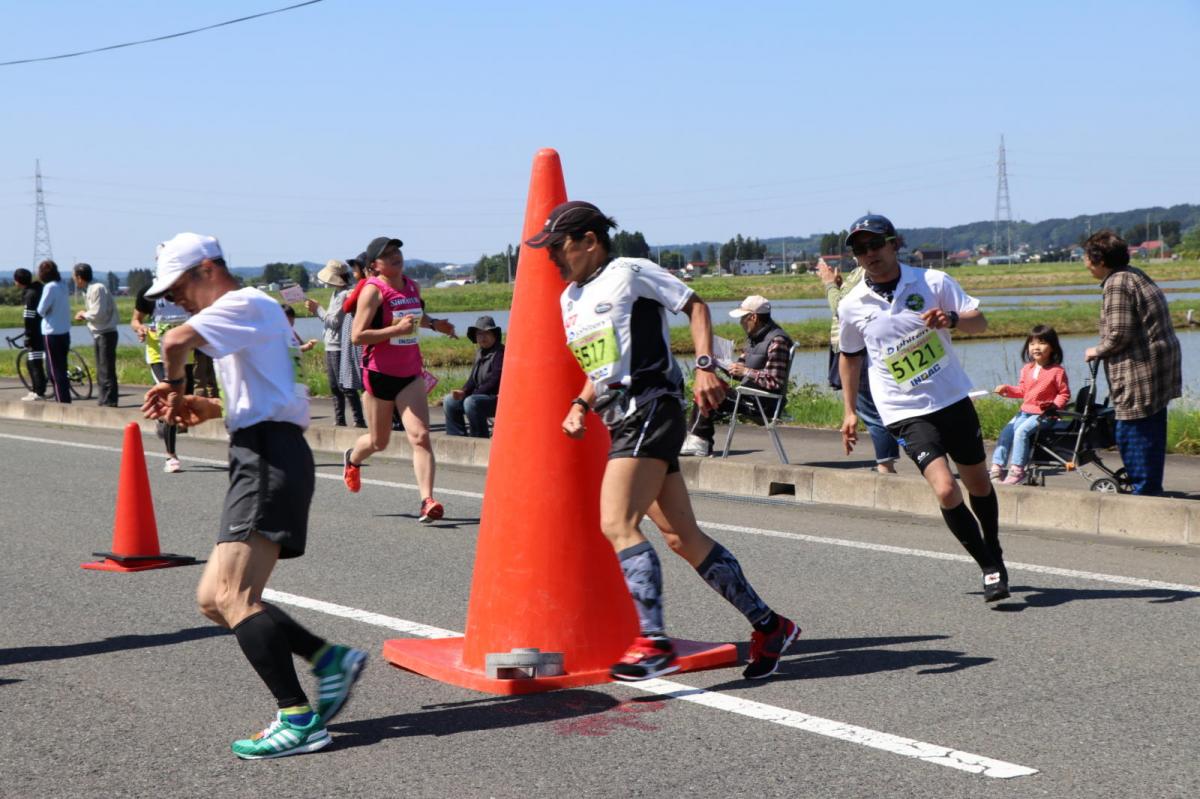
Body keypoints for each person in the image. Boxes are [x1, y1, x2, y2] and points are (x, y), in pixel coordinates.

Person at [526, 200, 799, 681]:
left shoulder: (630, 272)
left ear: (589, 241)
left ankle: (653, 643)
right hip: (620, 417)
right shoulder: (568, 299)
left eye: (557, 246)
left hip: (651, 406)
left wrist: (705, 367)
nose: (551, 257)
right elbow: (602, 365)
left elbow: (695, 305)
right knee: (681, 537)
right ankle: (769, 625)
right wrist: (579, 403)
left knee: (616, 522)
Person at [140, 232, 366, 760]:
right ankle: (327, 660)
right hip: (258, 451)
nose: (172, 300)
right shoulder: (245, 316)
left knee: (235, 598)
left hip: (268, 458)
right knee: (211, 600)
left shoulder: (245, 303)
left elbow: (173, 343)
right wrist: (207, 405)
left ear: (206, 269)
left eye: (175, 288)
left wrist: (172, 387)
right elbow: (273, 394)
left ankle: (298, 718)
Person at [836, 214, 1009, 602]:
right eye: (860, 249)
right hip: (903, 409)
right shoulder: (852, 305)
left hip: (951, 398)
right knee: (946, 489)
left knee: (978, 484)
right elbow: (849, 356)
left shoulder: (932, 281)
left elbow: (979, 322)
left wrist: (951, 319)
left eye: (875, 245)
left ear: (894, 244)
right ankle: (989, 566)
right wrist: (849, 410)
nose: (869, 254)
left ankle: (993, 547)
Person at [342, 236, 458, 524]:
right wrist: (394, 332)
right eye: (387, 254)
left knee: (420, 436)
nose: (396, 256)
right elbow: (357, 336)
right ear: (374, 265)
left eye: (397, 251)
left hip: (410, 373)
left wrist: (435, 324)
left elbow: (416, 316)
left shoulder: (411, 286)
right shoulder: (373, 291)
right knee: (379, 442)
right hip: (379, 375)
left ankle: (427, 500)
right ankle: (353, 460)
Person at [1082, 229, 1182, 496]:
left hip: (1139, 370)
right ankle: (1150, 488)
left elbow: (1118, 334)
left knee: (1132, 431)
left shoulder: (1117, 283)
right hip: (1158, 366)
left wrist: (1096, 350)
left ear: (1099, 260)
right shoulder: (1134, 274)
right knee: (1151, 430)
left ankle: (1144, 493)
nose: (1084, 263)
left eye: (1086, 257)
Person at [679, 295, 793, 457]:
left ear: (753, 317)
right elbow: (742, 373)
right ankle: (699, 440)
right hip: (749, 396)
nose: (740, 323)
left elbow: (775, 382)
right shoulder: (754, 340)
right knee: (710, 386)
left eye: (743, 318)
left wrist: (745, 371)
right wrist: (723, 365)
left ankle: (699, 440)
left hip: (764, 403)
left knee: (711, 390)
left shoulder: (778, 341)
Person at [817, 258, 899, 473]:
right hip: (860, 347)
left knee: (871, 411)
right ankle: (889, 460)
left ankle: (885, 464)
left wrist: (829, 284)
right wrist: (838, 285)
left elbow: (840, 308)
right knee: (877, 407)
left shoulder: (865, 273)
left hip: (857, 350)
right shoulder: (862, 273)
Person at [990, 325, 1070, 485]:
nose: (1036, 347)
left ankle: (1018, 470)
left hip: (1046, 415)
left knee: (1021, 431)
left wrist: (1054, 406)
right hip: (1025, 412)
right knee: (1006, 432)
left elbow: (1064, 394)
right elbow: (1023, 391)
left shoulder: (1057, 371)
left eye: (1042, 343)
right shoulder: (1027, 369)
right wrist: (1006, 390)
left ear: (1053, 347)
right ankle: (997, 467)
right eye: (1032, 344)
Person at [132, 283, 194, 473]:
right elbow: (135, 319)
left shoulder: (189, 290)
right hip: (158, 356)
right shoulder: (148, 292)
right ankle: (171, 456)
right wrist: (140, 328)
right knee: (171, 400)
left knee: (181, 403)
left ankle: (163, 421)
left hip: (185, 355)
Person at [305, 259, 365, 428]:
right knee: (335, 386)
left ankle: (358, 420)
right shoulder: (337, 293)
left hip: (339, 345)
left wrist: (317, 309)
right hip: (331, 344)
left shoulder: (343, 294)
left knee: (345, 385)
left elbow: (333, 321)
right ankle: (340, 420)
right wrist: (318, 309)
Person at [443, 315, 505, 438]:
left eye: (486, 333)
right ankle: (457, 438)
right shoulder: (479, 352)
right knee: (449, 400)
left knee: (471, 402)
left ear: (494, 334)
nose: (483, 337)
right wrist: (463, 391)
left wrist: (472, 394)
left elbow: (495, 380)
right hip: (479, 395)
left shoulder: (500, 353)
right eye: (479, 334)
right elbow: (472, 379)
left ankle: (479, 437)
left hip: (496, 399)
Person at [72, 263, 120, 407]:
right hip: (99, 332)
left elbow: (98, 312)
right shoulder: (88, 290)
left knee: (106, 369)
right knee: (101, 369)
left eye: (75, 276)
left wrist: (84, 314)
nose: (74, 280)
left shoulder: (97, 288)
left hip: (106, 332)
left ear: (80, 277)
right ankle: (103, 398)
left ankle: (110, 400)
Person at [34, 260, 72, 404]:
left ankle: (62, 402)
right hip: (64, 330)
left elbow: (41, 310)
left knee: (54, 371)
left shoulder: (49, 287)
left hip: (51, 332)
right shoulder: (62, 285)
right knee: (62, 368)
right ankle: (64, 398)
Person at [13, 269, 47, 401]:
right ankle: (37, 389)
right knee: (33, 361)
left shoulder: (29, 295)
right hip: (43, 329)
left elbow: (29, 318)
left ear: (18, 281)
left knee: (33, 363)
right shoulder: (39, 289)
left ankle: (38, 392)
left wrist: (28, 335)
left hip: (35, 333)